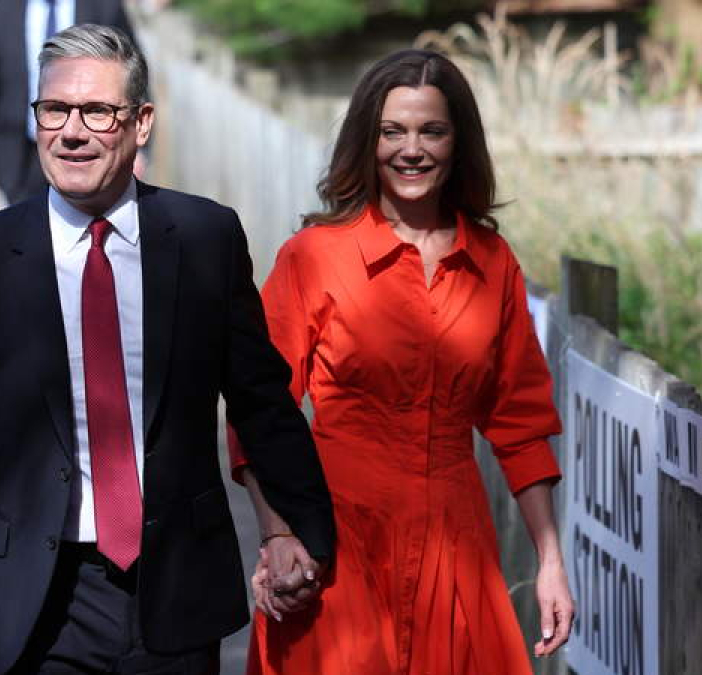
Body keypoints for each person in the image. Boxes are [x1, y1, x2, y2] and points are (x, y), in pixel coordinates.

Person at [0, 24, 335, 675]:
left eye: (96, 112)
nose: (71, 132)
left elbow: (260, 400)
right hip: (34, 599)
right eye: (54, 110)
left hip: (176, 590)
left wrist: (300, 529)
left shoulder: (204, 239)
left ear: (141, 123)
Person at [230, 48, 575, 674]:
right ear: (369, 140)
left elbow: (521, 426)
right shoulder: (312, 256)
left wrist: (550, 561)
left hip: (457, 549)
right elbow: (259, 410)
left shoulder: (493, 263)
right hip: (335, 542)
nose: (411, 149)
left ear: (457, 142)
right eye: (393, 131)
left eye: (431, 131)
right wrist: (277, 534)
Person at [0, 0, 136, 212]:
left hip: (85, 149)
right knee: (24, 236)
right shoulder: (2, 9)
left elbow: (131, 76)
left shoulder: (102, 7)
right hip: (18, 156)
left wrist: (135, 149)